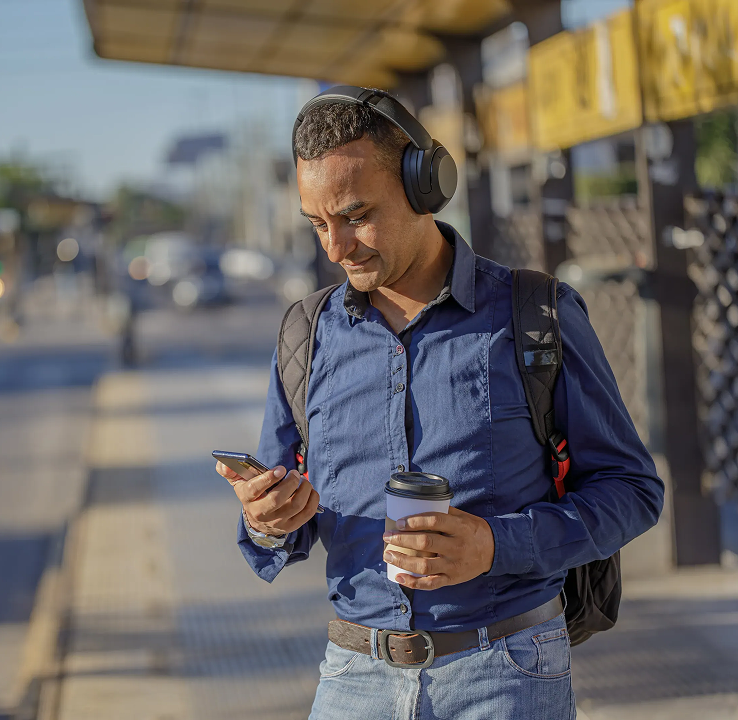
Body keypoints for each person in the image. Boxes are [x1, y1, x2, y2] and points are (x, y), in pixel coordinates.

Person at [215, 87, 663, 719]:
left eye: (356, 214)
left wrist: (495, 545)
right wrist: (268, 520)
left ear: (424, 184)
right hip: (353, 678)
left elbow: (633, 491)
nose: (337, 248)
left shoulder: (535, 315)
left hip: (507, 675)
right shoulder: (303, 336)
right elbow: (280, 529)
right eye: (318, 224)